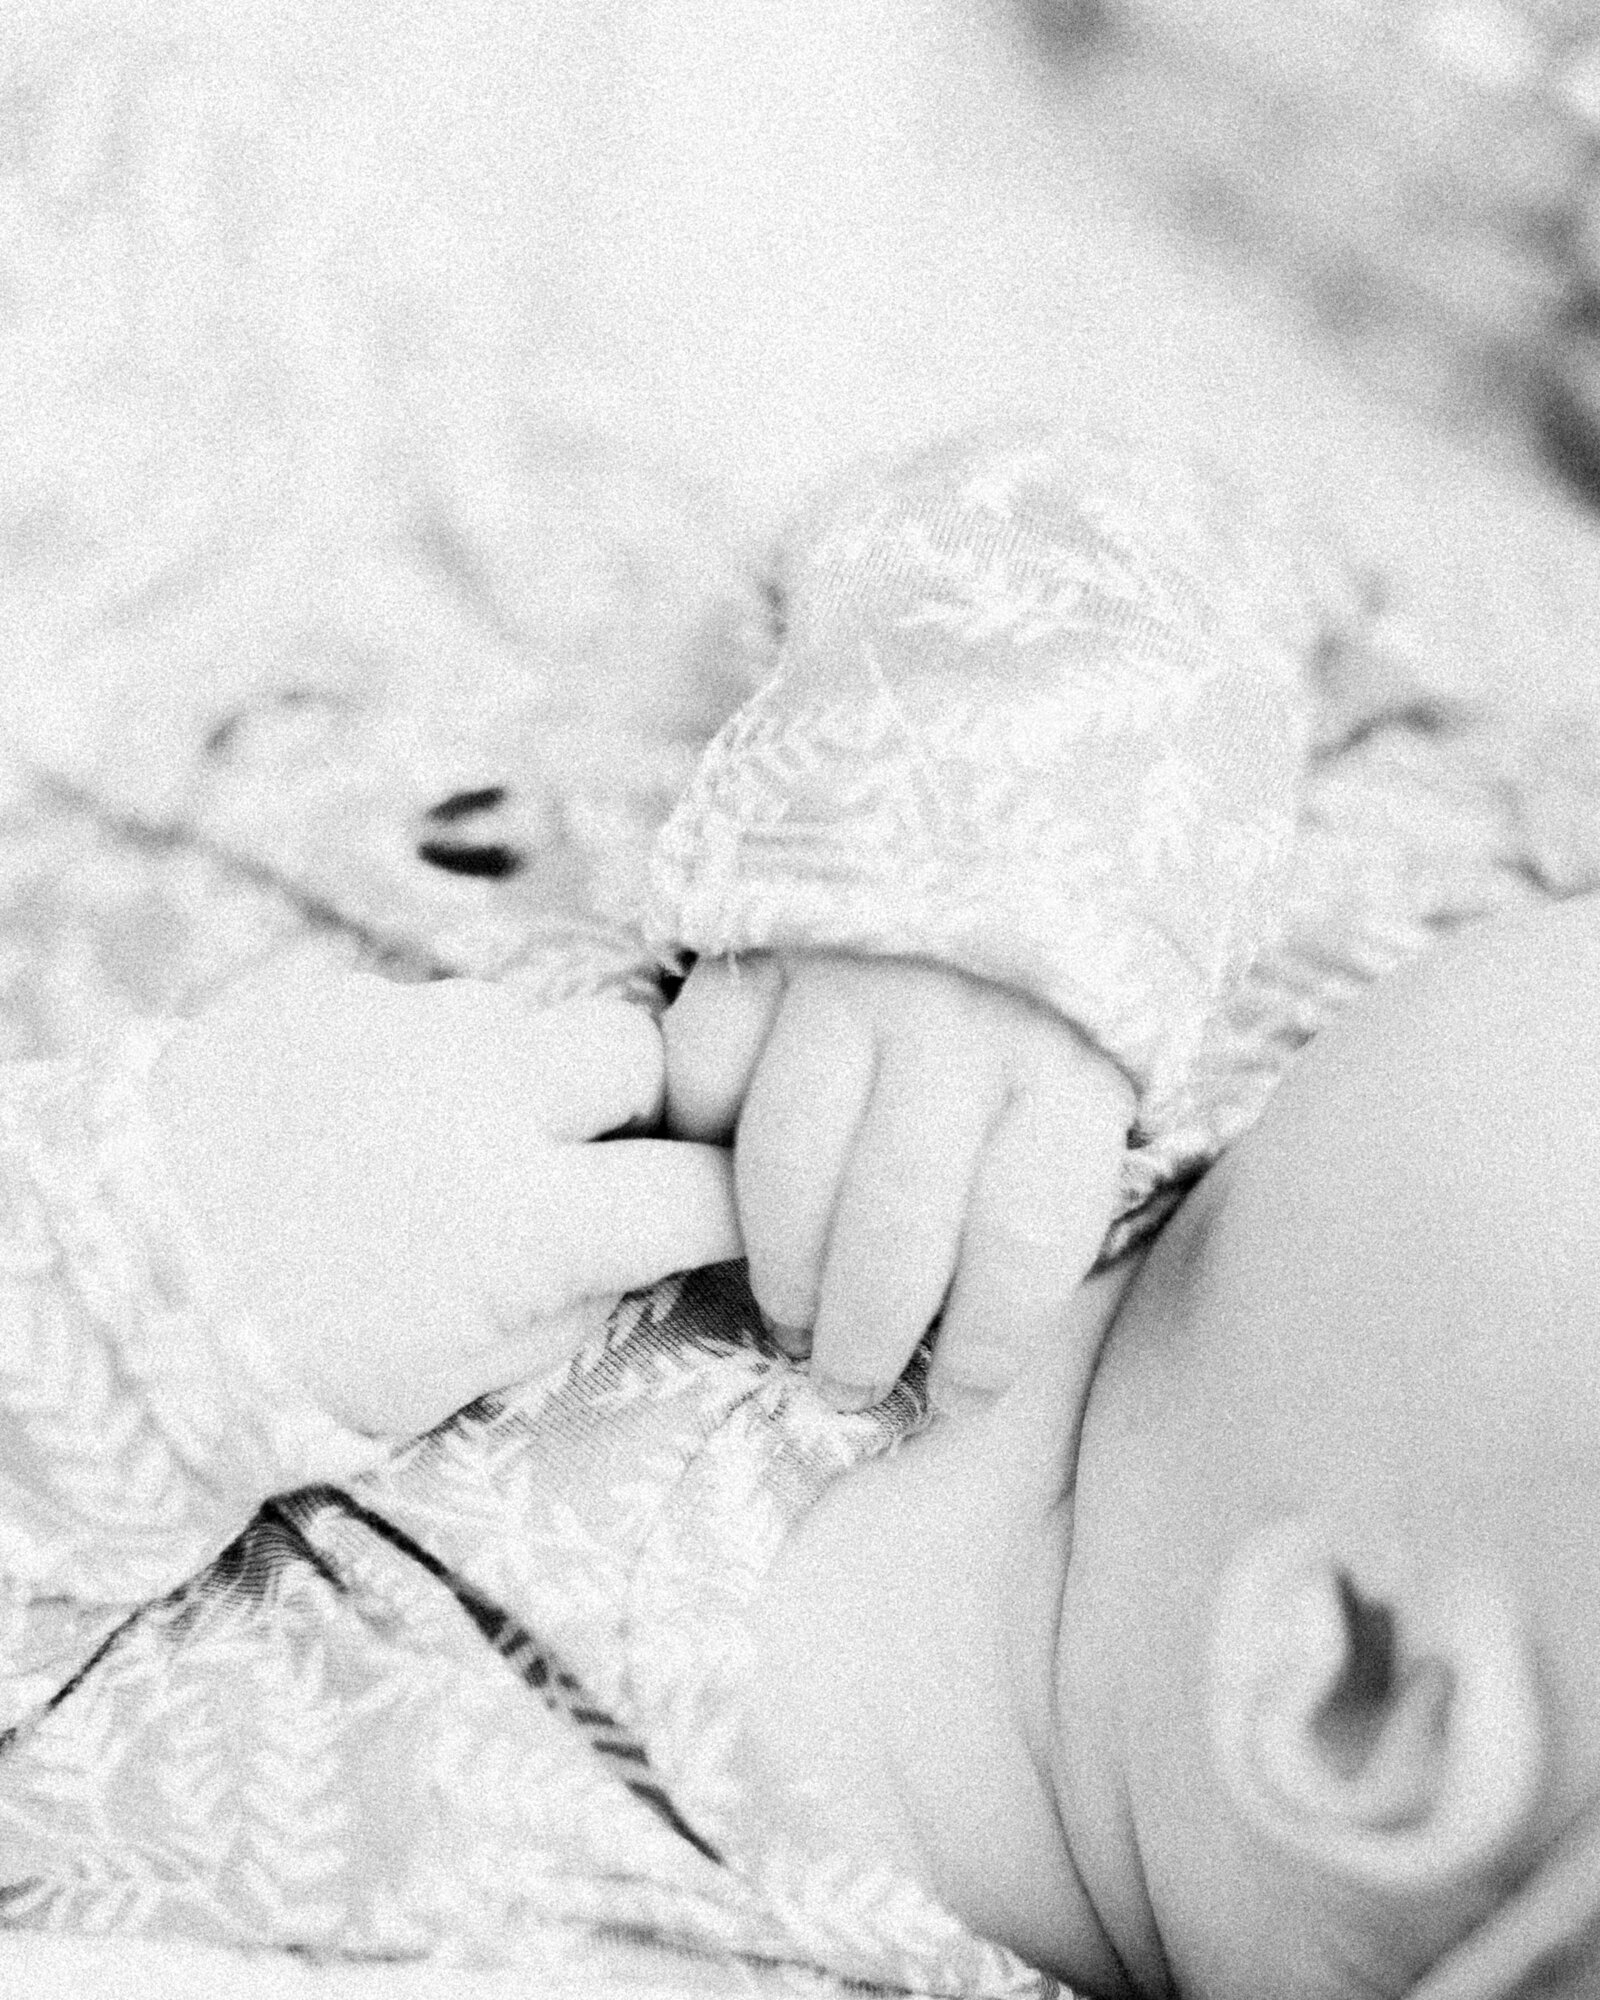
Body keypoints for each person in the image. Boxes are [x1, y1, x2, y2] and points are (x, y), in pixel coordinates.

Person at [0, 423, 1594, 1998]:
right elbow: (1155, 515)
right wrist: (996, 832)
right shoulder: (1409, 895)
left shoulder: (580, 1906)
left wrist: (163, 1288)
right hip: (240, 463)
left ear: (1358, 1692)